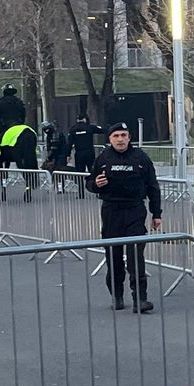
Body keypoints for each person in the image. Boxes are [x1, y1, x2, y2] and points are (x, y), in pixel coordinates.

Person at [87, 123, 162, 313]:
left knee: (135, 256)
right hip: (111, 211)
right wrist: (96, 184)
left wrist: (157, 214)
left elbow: (153, 186)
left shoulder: (141, 158)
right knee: (114, 256)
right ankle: (117, 295)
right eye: (116, 136)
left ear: (129, 138)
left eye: (124, 135)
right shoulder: (103, 158)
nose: (120, 139)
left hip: (135, 210)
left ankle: (140, 299)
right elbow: (89, 183)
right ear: (110, 139)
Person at [69, 114, 105, 197]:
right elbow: (102, 130)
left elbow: (69, 143)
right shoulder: (90, 127)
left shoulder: (73, 129)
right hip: (89, 153)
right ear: (85, 119)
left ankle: (81, 193)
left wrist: (68, 155)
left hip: (79, 154)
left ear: (77, 120)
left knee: (79, 174)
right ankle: (96, 191)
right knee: (93, 172)